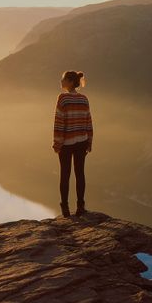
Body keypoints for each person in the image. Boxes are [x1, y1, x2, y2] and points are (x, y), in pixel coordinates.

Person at [52, 70, 93, 217]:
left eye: (62, 79)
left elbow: (59, 122)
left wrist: (57, 143)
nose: (61, 82)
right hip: (81, 142)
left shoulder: (63, 99)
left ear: (69, 81)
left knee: (65, 174)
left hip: (67, 143)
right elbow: (88, 121)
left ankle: (65, 210)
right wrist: (89, 141)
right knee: (80, 173)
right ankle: (81, 207)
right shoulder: (84, 99)